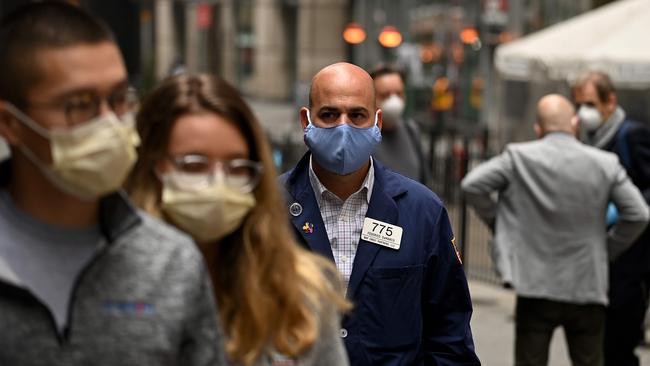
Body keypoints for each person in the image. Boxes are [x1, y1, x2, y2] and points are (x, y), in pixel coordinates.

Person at [0, 2, 227, 366]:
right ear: (10, 123)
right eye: (80, 104)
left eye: (120, 99)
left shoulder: (172, 262)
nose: (110, 123)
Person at [126, 73, 351, 366]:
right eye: (193, 165)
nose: (218, 183)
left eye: (236, 167)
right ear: (150, 169)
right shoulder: (113, 283)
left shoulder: (299, 292)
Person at [280, 62, 480, 365]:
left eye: (357, 115)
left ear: (377, 121)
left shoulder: (422, 212)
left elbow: (449, 335)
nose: (343, 127)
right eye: (329, 114)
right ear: (305, 120)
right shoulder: (267, 209)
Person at [461, 94, 649, 366]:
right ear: (574, 123)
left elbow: (471, 186)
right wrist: (606, 249)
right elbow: (639, 213)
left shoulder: (519, 157)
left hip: (536, 284)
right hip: (587, 283)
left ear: (538, 128)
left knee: (530, 359)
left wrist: (501, 224)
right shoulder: (605, 163)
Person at [571, 70, 650, 366]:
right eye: (579, 104)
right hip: (597, 260)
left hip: (629, 261)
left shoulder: (630, 134)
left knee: (619, 346)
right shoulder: (586, 139)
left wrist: (622, 206)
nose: (583, 112)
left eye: (590, 104)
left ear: (610, 101)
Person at [369, 65, 430, 184]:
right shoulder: (363, 138)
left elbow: (425, 181)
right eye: (385, 95)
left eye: (399, 93)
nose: (394, 100)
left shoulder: (411, 130)